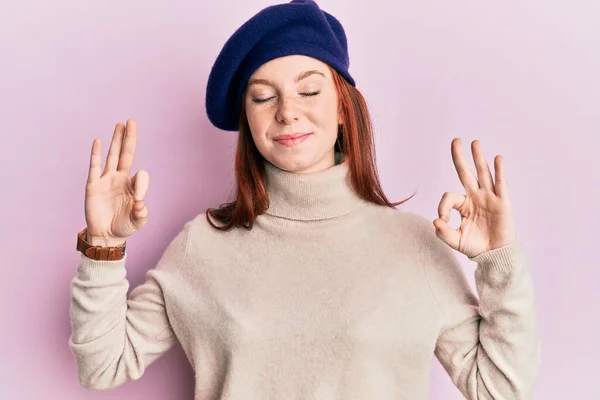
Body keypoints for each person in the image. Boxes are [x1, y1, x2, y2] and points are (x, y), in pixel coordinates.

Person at [68, 0, 541, 398]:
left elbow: (503, 387)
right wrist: (103, 247)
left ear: (341, 107)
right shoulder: (204, 245)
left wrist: (499, 262)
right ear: (248, 124)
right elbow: (102, 364)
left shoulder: (414, 244)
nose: (287, 110)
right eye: (262, 97)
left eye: (309, 89)